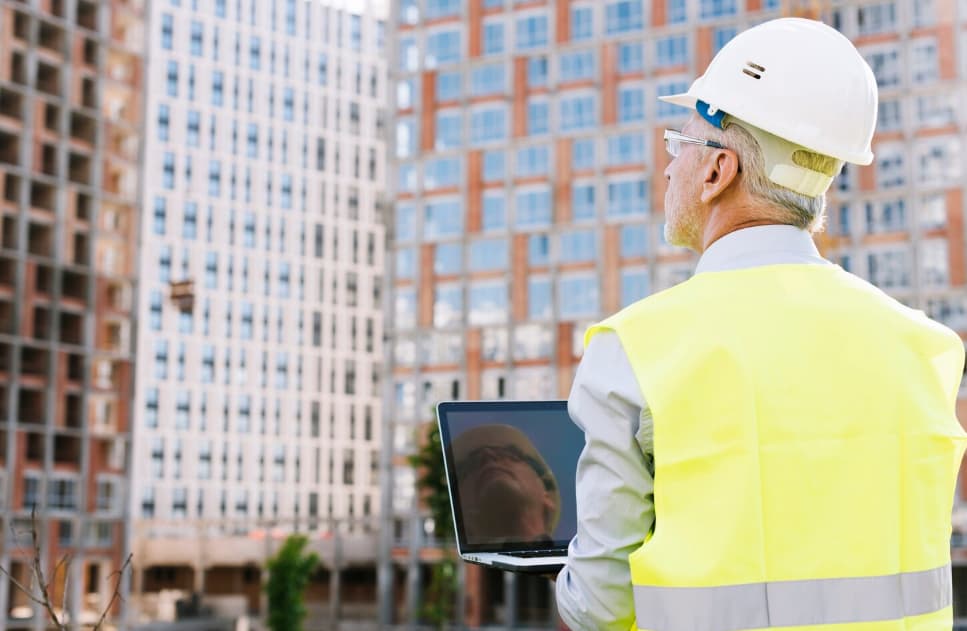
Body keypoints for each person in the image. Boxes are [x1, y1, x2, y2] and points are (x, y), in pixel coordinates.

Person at [554, 18, 966, 631]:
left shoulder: (635, 350)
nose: (669, 170)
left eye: (679, 145)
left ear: (719, 171)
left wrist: (563, 580)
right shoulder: (925, 346)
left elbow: (601, 604)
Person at [453, 424, 561, 544]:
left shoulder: (578, 559)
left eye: (509, 454)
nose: (488, 456)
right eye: (471, 463)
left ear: (546, 495)